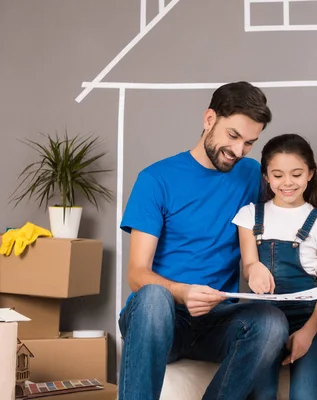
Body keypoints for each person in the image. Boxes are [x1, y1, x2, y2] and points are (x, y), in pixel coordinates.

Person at [118, 81, 290, 400]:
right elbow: (136, 274)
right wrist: (182, 293)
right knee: (154, 298)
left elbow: (292, 203)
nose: (238, 151)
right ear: (209, 119)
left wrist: (255, 268)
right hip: (162, 319)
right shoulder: (155, 179)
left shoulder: (251, 174)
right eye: (233, 136)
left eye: (249, 142)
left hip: (217, 321)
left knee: (271, 323)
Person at [232, 133, 317, 400]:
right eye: (278, 175)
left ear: (310, 174)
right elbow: (248, 265)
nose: (287, 183)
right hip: (264, 322)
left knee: (304, 396)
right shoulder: (249, 215)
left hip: (308, 319)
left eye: (296, 174)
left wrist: (308, 332)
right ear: (266, 177)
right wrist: (253, 267)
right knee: (263, 395)